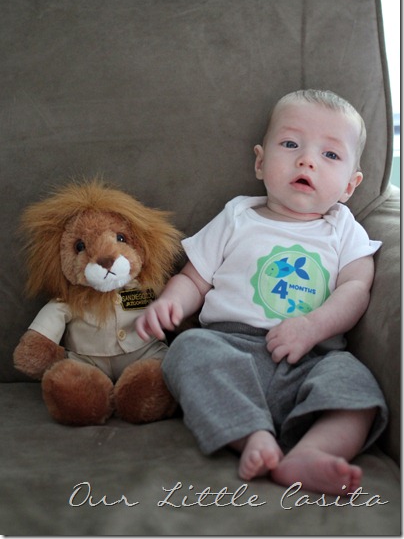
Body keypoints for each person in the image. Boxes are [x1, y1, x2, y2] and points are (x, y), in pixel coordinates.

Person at [135, 89, 388, 495]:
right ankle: (252, 436)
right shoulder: (237, 216)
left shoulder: (344, 229)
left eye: (330, 154)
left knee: (357, 387)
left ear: (349, 186)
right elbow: (194, 279)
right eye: (290, 144)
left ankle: (312, 453)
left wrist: (312, 326)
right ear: (260, 161)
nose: (306, 160)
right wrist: (169, 302)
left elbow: (356, 289)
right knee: (187, 350)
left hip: (312, 357)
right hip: (229, 347)